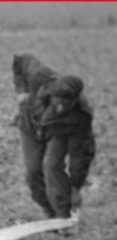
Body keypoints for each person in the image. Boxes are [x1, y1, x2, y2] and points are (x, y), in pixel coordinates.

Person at [12, 54, 95, 220]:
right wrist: (22, 93)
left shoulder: (82, 116)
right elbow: (20, 60)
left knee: (51, 166)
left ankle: (63, 214)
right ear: (51, 93)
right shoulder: (40, 76)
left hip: (57, 134)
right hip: (31, 127)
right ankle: (48, 211)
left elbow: (79, 155)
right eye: (57, 102)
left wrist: (75, 188)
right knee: (33, 172)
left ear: (75, 99)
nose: (60, 108)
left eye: (65, 104)